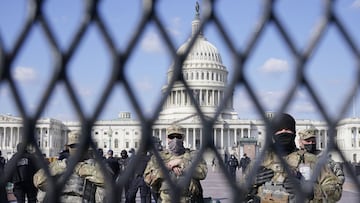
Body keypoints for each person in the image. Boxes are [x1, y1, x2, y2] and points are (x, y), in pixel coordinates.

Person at [245, 113, 342, 203]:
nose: (284, 132)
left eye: (288, 129)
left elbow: (336, 192)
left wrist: (311, 190)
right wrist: (251, 184)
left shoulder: (311, 160)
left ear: (294, 132)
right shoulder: (258, 163)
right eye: (279, 129)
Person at [33, 130, 105, 203]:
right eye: (73, 146)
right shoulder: (60, 164)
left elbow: (107, 180)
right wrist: (63, 166)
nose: (76, 149)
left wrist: (81, 168)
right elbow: (38, 181)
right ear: (68, 148)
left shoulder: (94, 165)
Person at [144, 124, 208, 203]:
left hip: (189, 199)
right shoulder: (158, 157)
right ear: (167, 138)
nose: (175, 140)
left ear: (183, 138)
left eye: (178, 137)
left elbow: (202, 173)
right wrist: (168, 167)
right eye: (172, 137)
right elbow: (148, 179)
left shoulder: (193, 155)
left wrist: (182, 163)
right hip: (165, 199)